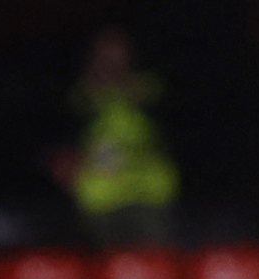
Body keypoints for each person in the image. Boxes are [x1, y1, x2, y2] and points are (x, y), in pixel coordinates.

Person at [65, 28, 181, 245]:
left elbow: (175, 119)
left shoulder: (151, 88)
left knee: (153, 262)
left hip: (149, 195)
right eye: (105, 57)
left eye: (119, 56)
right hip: (100, 199)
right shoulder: (79, 96)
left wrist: (130, 90)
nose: (112, 64)